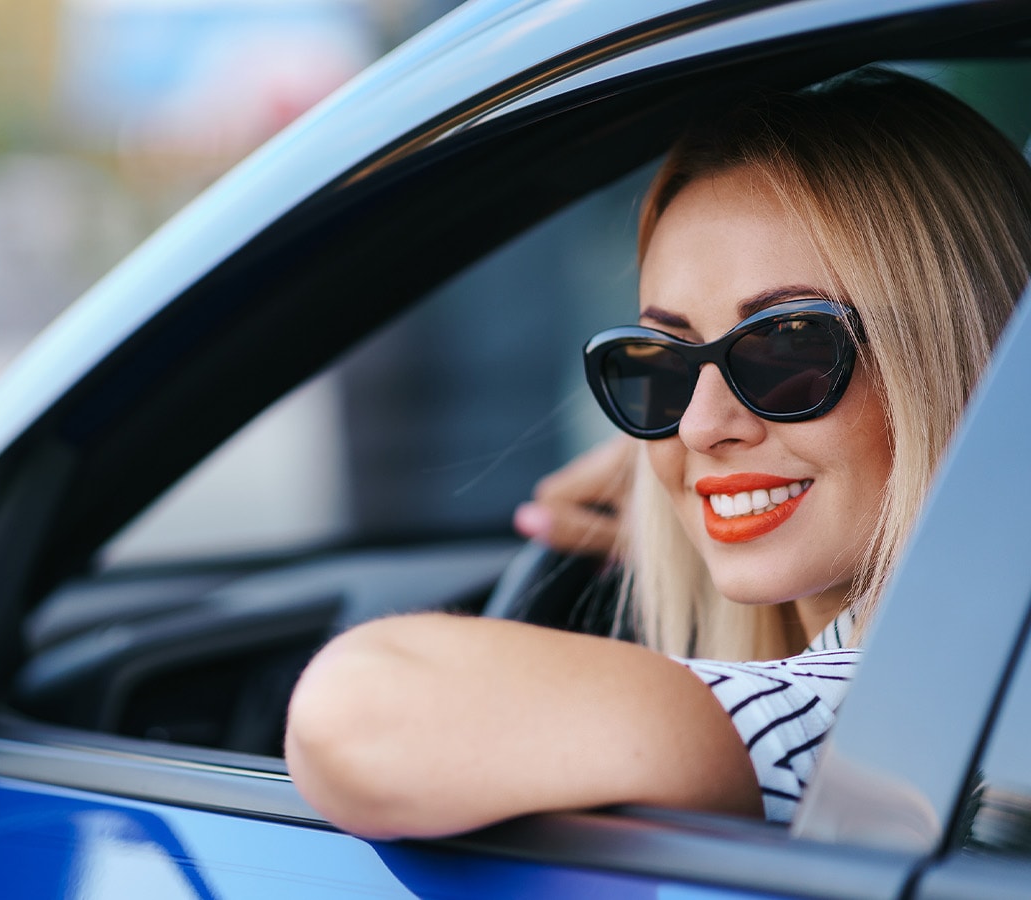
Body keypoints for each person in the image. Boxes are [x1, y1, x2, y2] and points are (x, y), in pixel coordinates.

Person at [284, 68, 1031, 838]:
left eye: (787, 347)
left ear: (958, 360)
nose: (701, 426)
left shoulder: (856, 716)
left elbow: (352, 710)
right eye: (659, 366)